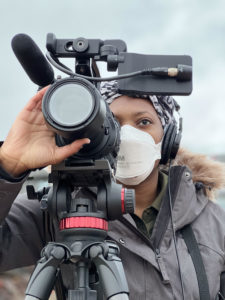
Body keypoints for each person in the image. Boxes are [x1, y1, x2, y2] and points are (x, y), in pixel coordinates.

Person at [0, 81, 225, 300]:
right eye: (113, 123)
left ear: (168, 139)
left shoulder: (214, 221)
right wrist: (8, 165)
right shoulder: (59, 208)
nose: (126, 135)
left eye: (144, 122)